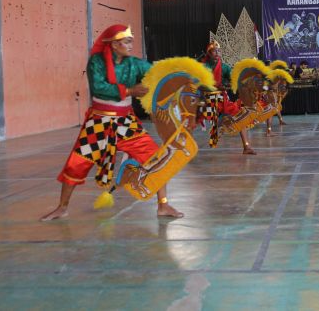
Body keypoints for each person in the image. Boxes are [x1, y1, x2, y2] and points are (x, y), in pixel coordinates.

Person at [40, 25, 183, 221]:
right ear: (115, 44)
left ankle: (163, 205)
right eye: (127, 41)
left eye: (131, 41)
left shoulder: (135, 64)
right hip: (99, 123)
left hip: (127, 123)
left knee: (155, 158)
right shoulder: (96, 63)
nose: (131, 45)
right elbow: (99, 88)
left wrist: (180, 74)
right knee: (76, 164)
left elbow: (156, 72)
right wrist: (130, 91)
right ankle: (62, 207)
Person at [200, 40, 255, 154]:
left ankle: (246, 146)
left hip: (222, 99)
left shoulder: (224, 67)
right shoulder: (203, 67)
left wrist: (231, 84)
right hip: (206, 99)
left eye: (219, 51)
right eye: (214, 51)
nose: (217, 53)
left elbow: (233, 80)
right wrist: (214, 88)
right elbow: (199, 85)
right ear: (209, 53)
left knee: (240, 116)